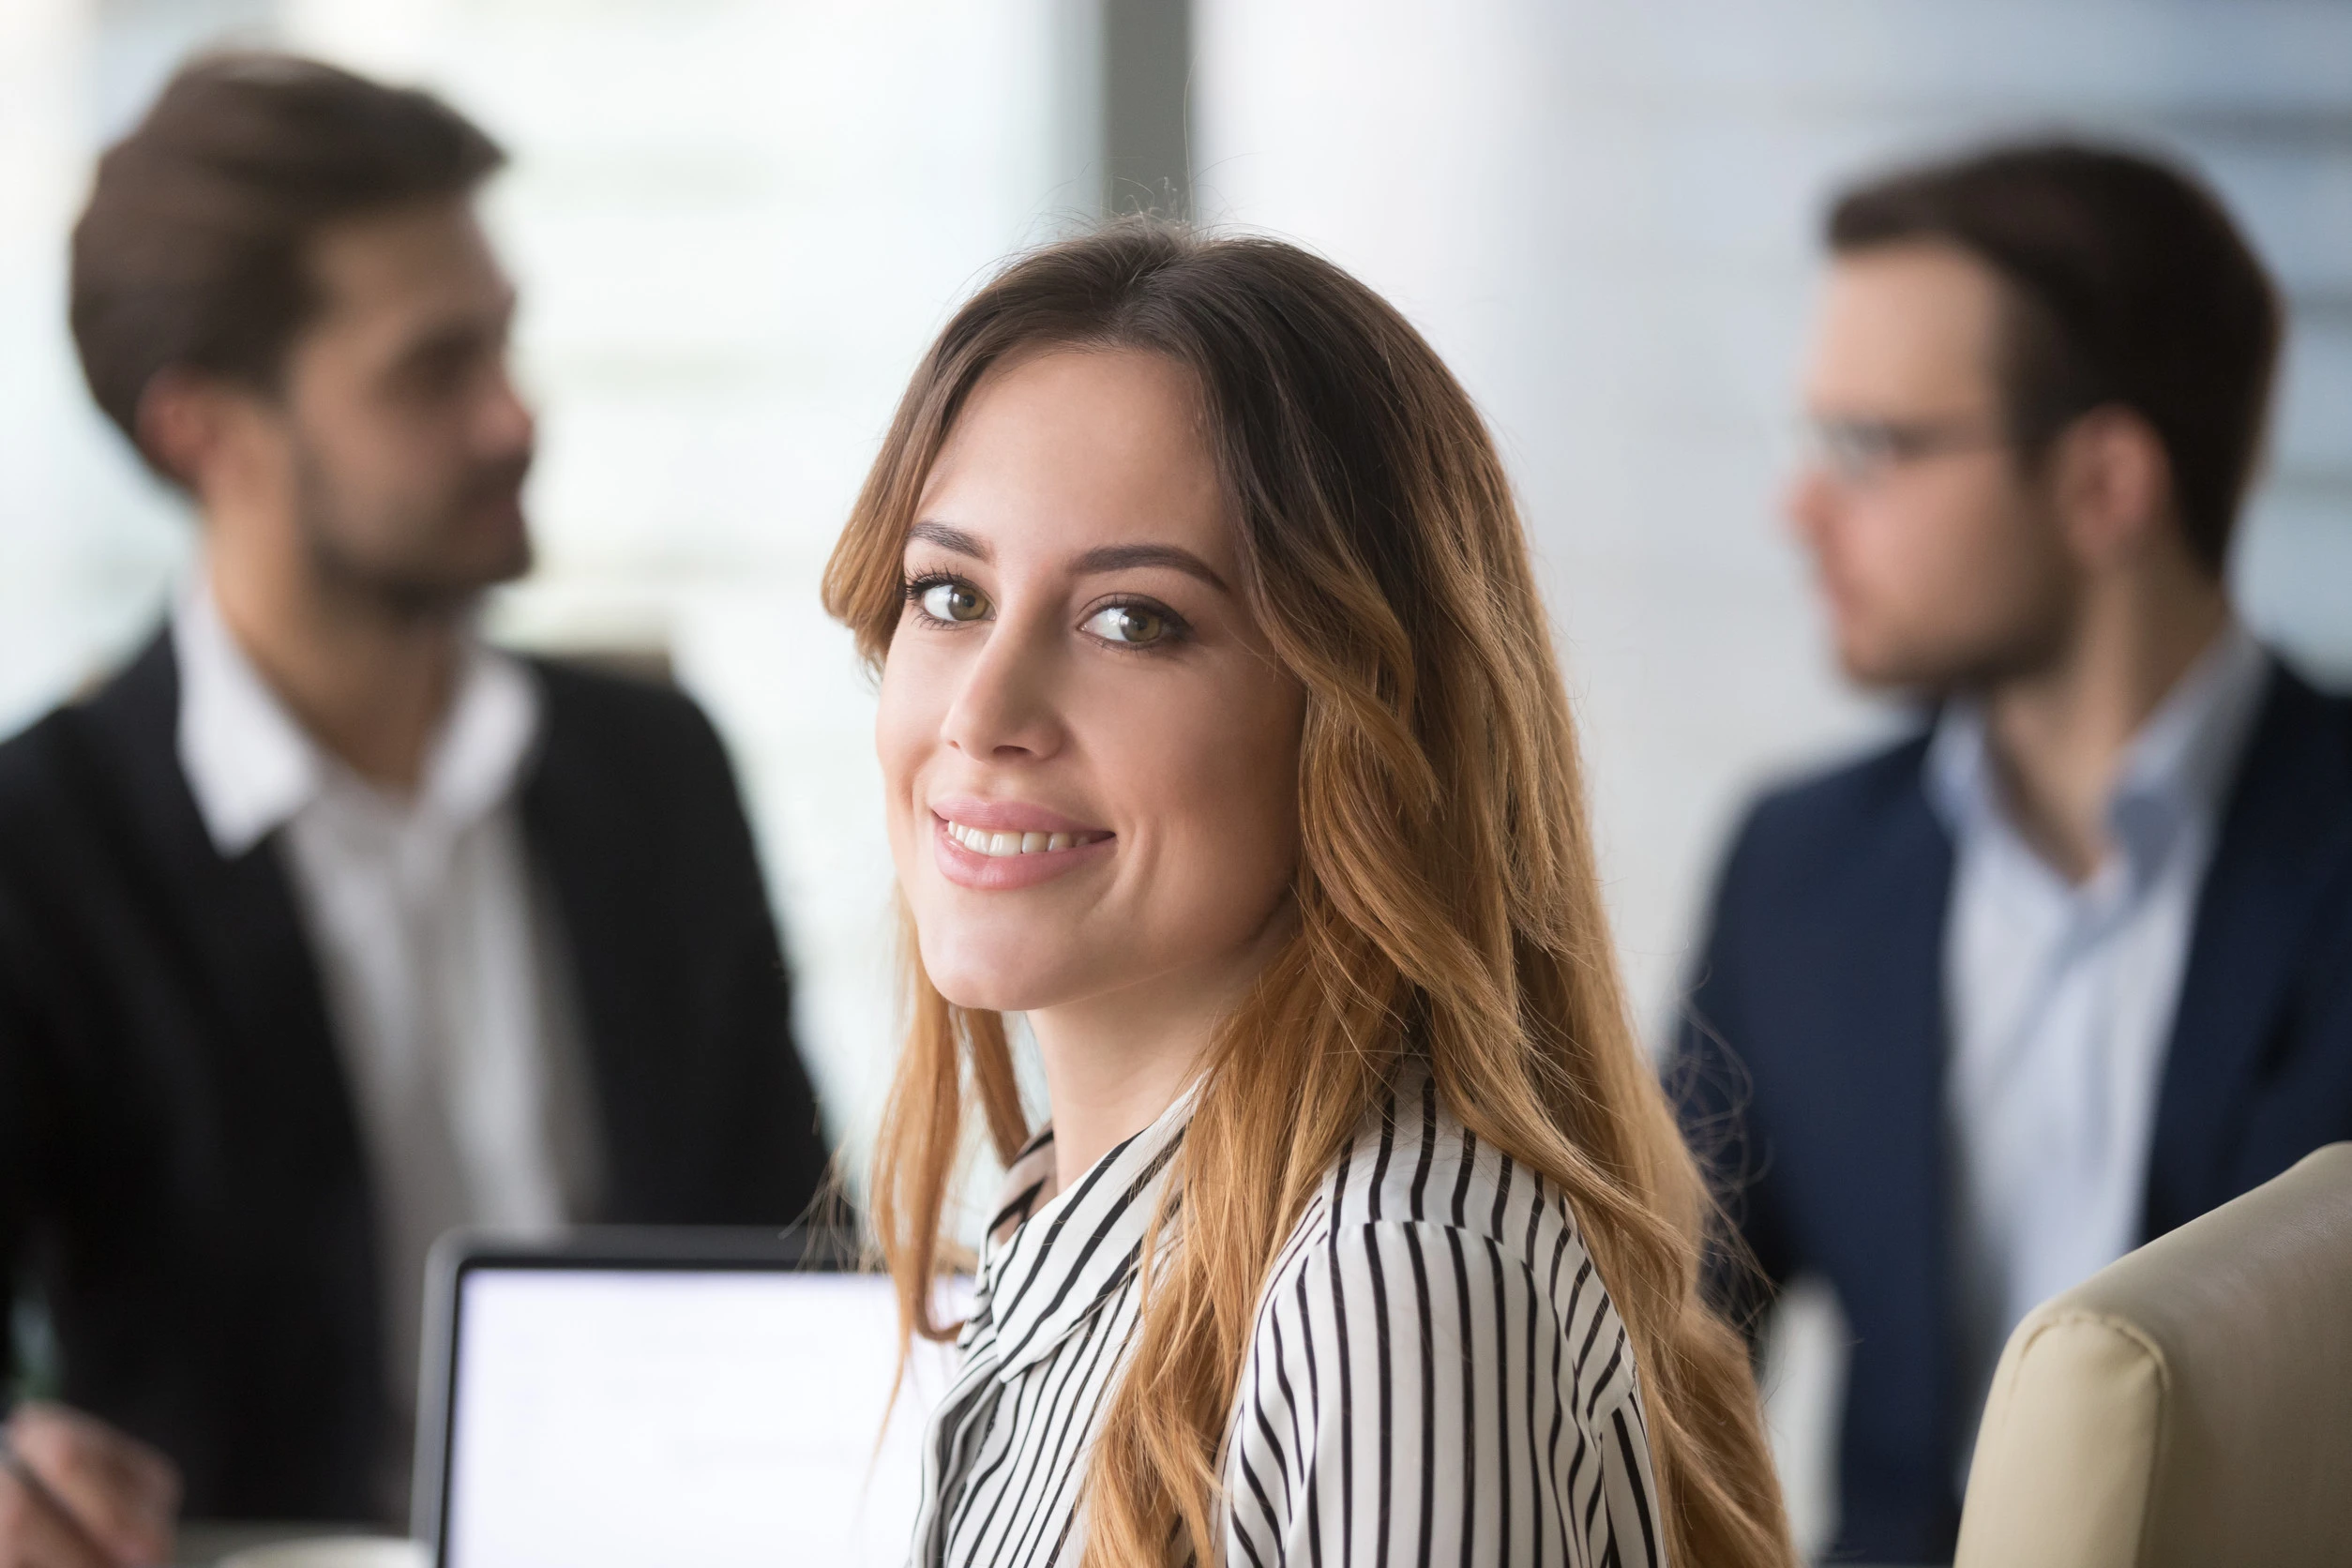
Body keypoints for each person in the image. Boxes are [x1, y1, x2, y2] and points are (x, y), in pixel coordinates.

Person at [821, 221, 1796, 1568]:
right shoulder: (1087, 1225)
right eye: (949, 594)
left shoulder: (1390, 1284)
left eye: (1134, 621)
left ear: (1360, 722)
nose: (982, 713)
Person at [0, 53, 833, 1561]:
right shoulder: (42, 844)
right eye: (432, 371)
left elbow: (801, 1261)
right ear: (207, 432)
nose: (516, 418)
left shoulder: (657, 772)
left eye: (505, 346)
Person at [1675, 141, 2352, 1562]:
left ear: (2105, 482)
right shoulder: (1799, 873)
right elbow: (1649, 1353)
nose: (1800, 508)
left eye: (1873, 446)